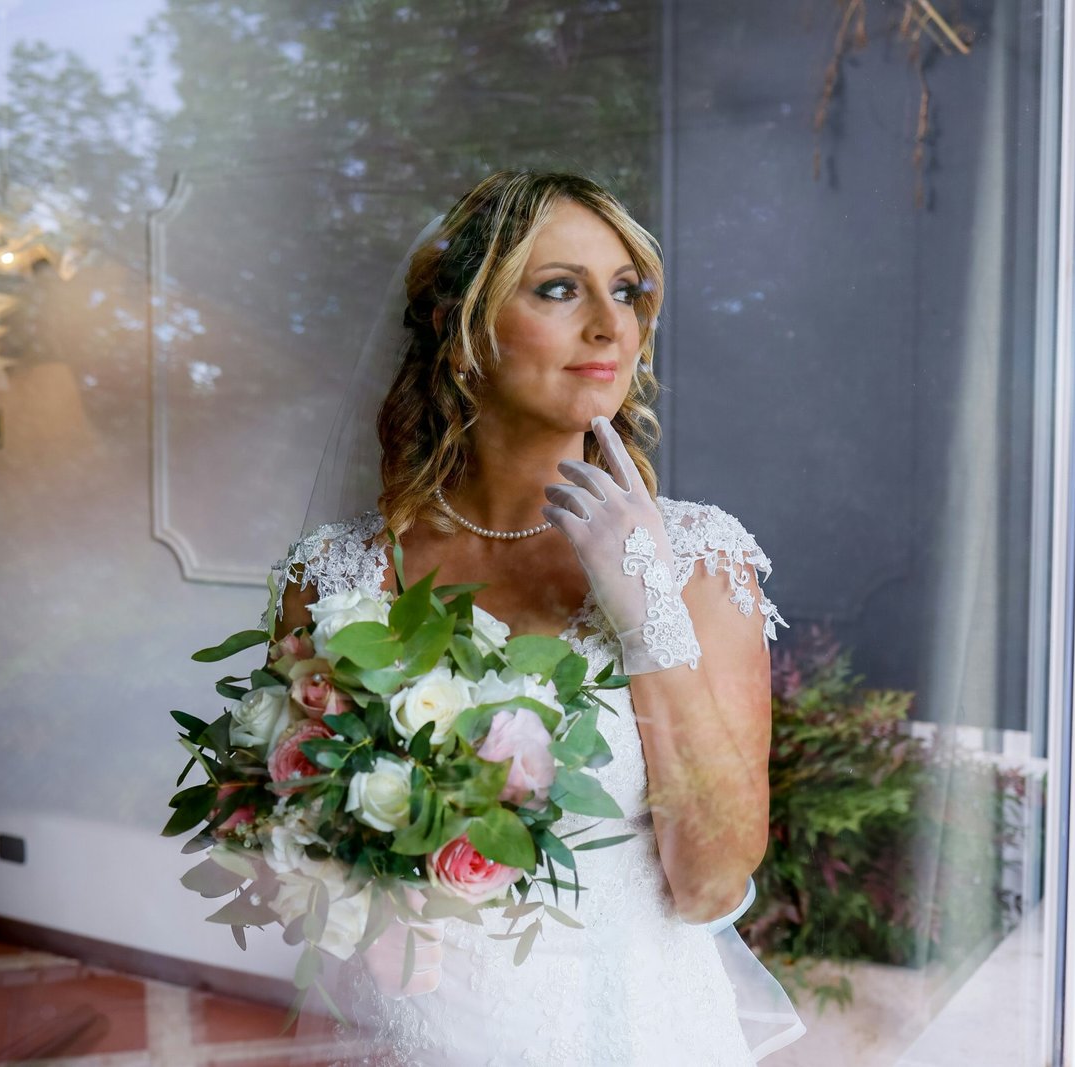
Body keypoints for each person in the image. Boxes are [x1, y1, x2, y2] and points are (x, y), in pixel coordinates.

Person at [267, 171, 801, 1065]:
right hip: (424, 1034)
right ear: (460, 328)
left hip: (634, 1033)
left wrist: (646, 612)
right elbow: (305, 846)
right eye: (560, 288)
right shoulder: (333, 575)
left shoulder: (704, 562)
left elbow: (711, 883)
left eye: (625, 291)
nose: (610, 324)